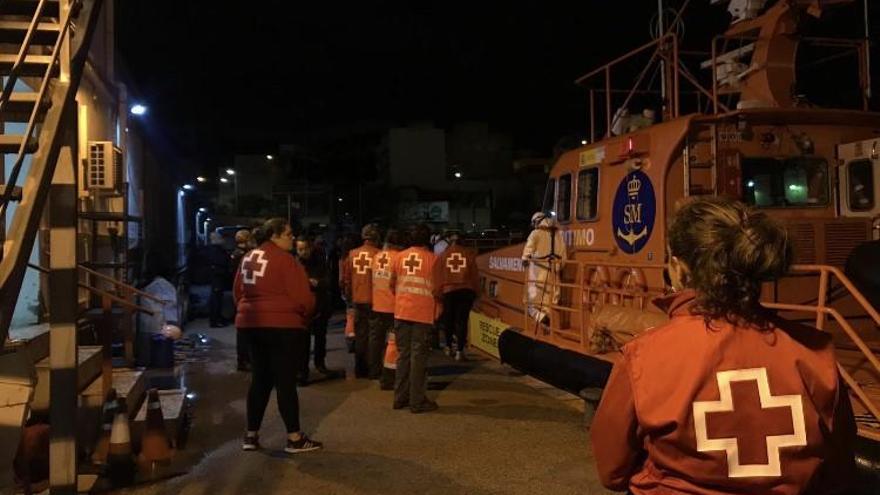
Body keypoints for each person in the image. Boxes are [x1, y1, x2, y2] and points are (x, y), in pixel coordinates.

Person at [591, 197, 856, 494]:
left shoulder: (643, 355)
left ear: (679, 269)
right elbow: (839, 471)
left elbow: (612, 471)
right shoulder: (816, 353)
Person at [234, 218, 322, 454]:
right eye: (288, 234)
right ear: (274, 235)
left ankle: (250, 435)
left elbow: (238, 292)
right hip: (282, 326)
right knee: (285, 382)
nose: (292, 238)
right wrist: (307, 313)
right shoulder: (286, 260)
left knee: (260, 380)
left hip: (251, 325)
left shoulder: (248, 258)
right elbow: (303, 298)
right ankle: (294, 438)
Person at [391, 223, 441, 413]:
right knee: (418, 358)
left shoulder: (399, 257)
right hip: (422, 314)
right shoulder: (433, 260)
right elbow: (437, 290)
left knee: (402, 356)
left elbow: (392, 285)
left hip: (401, 311)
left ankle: (400, 398)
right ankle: (417, 401)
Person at [295, 236, 343, 384]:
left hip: (320, 307)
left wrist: (318, 282)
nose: (303, 252)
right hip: (302, 309)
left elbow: (329, 281)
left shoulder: (320, 262)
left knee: (320, 338)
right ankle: (302, 371)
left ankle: (320, 364)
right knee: (303, 342)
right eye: (300, 249)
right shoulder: (294, 264)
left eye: (305, 248)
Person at [343, 224, 381, 378]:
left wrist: (349, 297)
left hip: (357, 299)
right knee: (374, 336)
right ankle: (373, 370)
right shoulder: (379, 254)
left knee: (360, 335)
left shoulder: (352, 254)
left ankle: (360, 368)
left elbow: (345, 279)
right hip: (374, 300)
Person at [436, 231, 479, 361]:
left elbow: (437, 275)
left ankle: (448, 347)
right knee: (462, 321)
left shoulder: (443, 255)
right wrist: (477, 293)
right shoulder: (469, 255)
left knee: (448, 320)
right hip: (466, 292)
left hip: (448, 292)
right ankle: (460, 351)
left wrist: (438, 293)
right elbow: (474, 275)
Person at [370, 228, 404, 382]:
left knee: (376, 339)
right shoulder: (399, 258)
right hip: (393, 305)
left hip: (377, 304)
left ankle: (374, 370)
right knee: (393, 341)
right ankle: (389, 373)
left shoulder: (377, 257)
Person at [521, 212, 567, 325]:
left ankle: (541, 319)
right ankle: (548, 321)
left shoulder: (535, 234)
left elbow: (528, 250)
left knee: (530, 302)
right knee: (550, 301)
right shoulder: (558, 235)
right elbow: (564, 256)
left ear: (537, 221)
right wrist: (558, 267)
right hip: (554, 273)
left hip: (539, 272)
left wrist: (525, 259)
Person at [230, 229, 253, 371]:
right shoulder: (242, 256)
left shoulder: (236, 253)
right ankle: (244, 360)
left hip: (239, 293)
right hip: (243, 294)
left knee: (243, 330)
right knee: (244, 331)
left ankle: (243, 360)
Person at [206, 231, 231, 328]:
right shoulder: (216, 251)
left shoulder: (213, 250)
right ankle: (215, 320)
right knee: (216, 299)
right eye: (222, 238)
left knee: (217, 298)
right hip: (217, 277)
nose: (224, 240)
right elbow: (222, 262)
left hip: (217, 276)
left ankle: (217, 318)